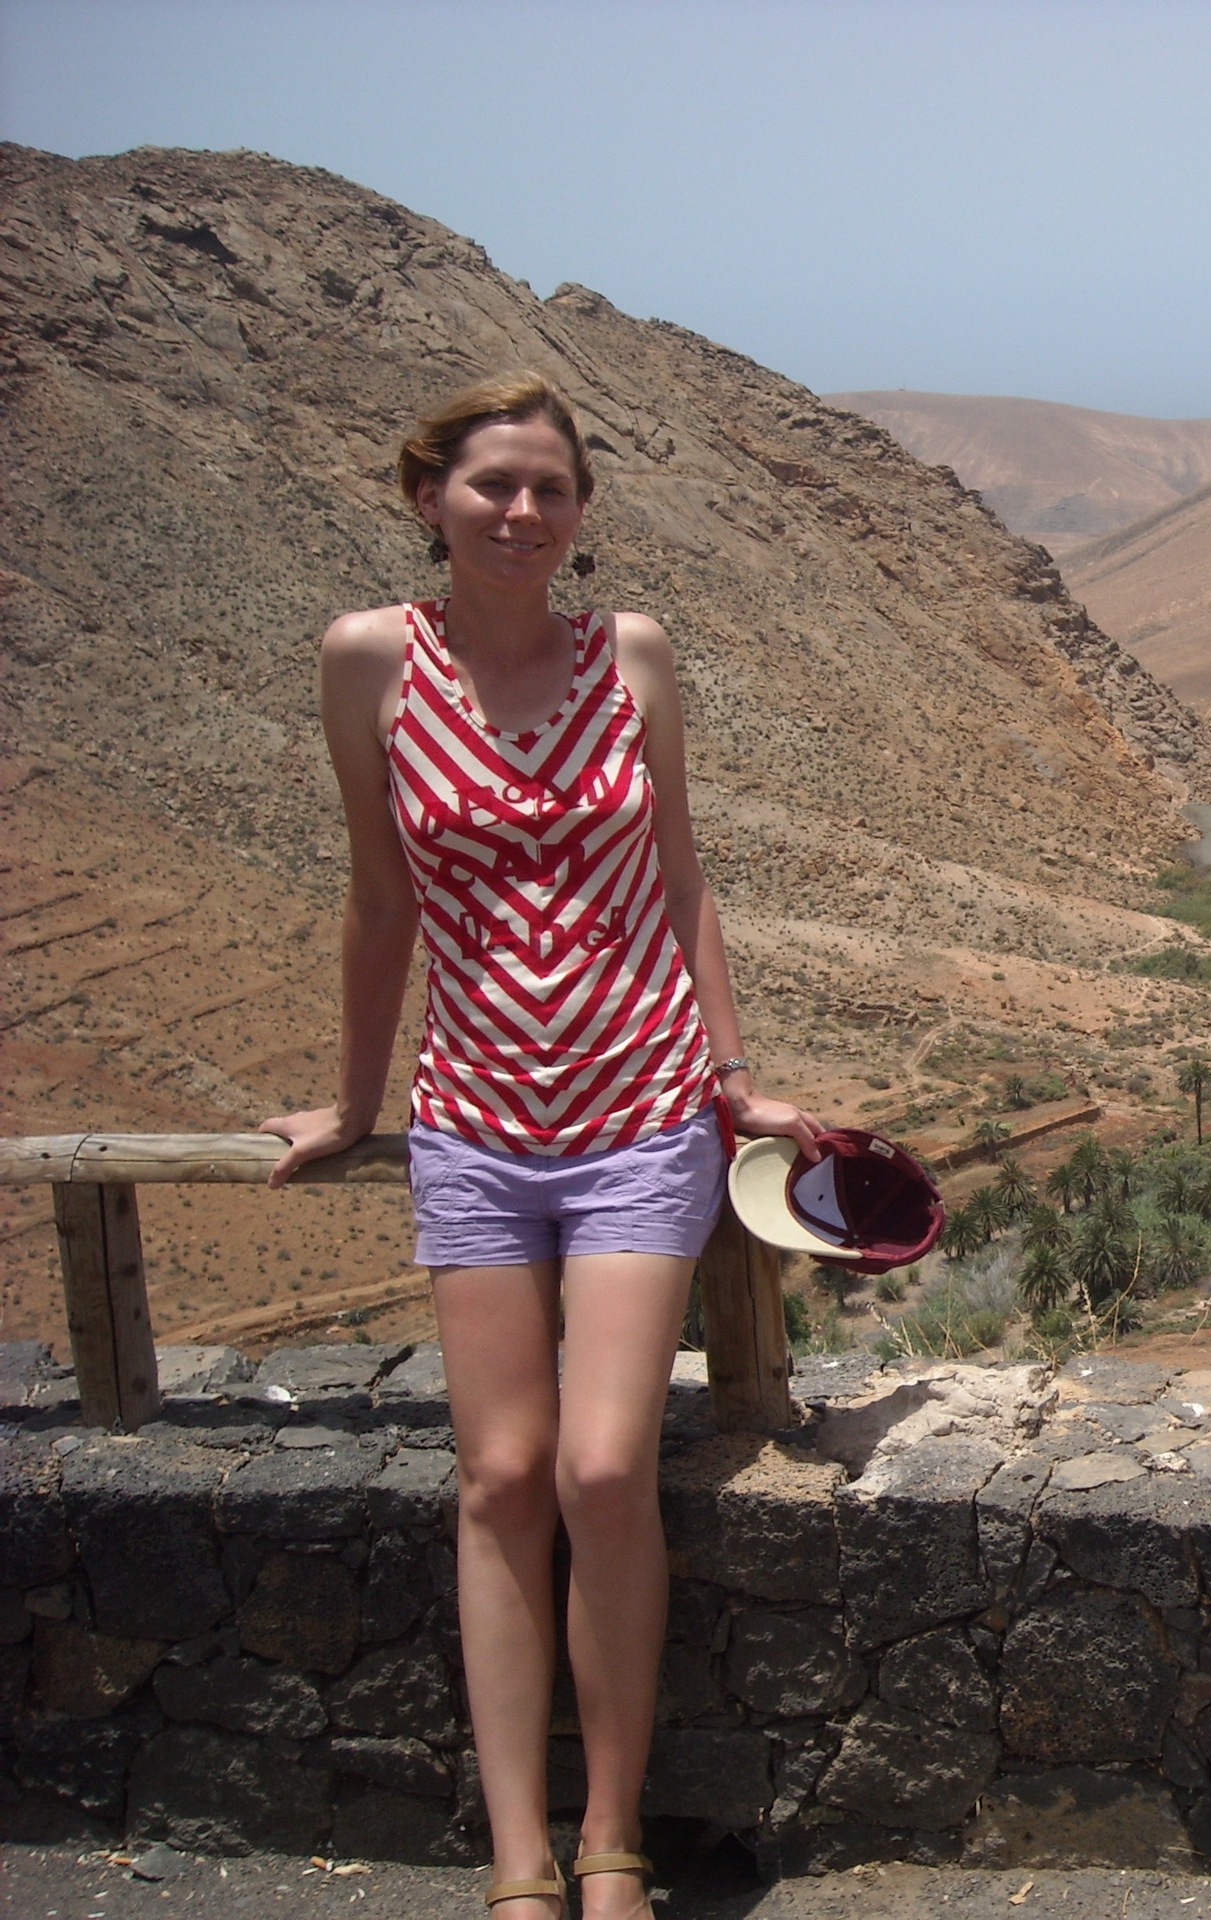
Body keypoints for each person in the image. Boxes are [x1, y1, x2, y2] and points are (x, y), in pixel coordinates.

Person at [261, 371, 819, 1920]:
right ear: (427, 497)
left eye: (550, 490)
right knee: (501, 1476)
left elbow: (682, 874)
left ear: (580, 512)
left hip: (641, 1110)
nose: (522, 513)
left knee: (602, 1465)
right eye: (493, 485)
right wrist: (354, 1104)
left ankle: (613, 1839)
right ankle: (518, 1856)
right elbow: (380, 899)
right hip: (475, 1122)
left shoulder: (630, 653)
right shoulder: (368, 661)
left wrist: (732, 1075)